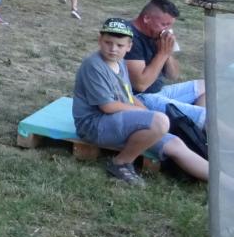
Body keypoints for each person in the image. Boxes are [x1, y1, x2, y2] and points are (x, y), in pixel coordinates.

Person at [72, 17, 208, 186]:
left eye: (120, 45)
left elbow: (128, 96)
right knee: (159, 121)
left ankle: (226, 182)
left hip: (116, 121)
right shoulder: (94, 65)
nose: (113, 49)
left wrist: (146, 113)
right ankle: (121, 163)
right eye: (108, 43)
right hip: (93, 125)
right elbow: (108, 106)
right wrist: (148, 115)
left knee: (175, 144)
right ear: (100, 40)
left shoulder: (120, 63)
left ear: (129, 46)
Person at [123, 0, 206, 128]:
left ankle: (193, 127)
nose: (167, 29)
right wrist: (162, 54)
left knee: (209, 88)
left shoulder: (157, 35)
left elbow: (173, 75)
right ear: (146, 18)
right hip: (141, 98)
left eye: (170, 25)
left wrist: (167, 53)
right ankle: (197, 123)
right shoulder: (129, 37)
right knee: (207, 116)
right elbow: (140, 85)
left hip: (159, 91)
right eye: (164, 24)